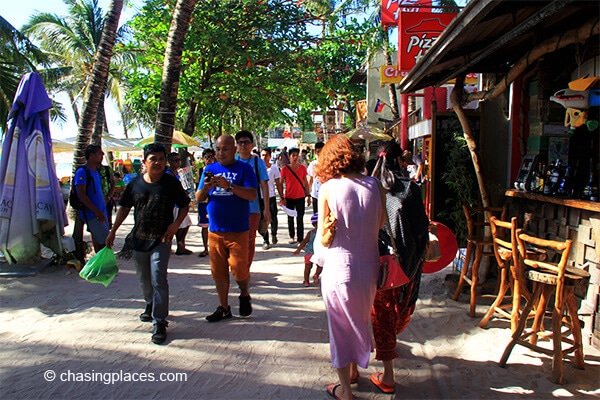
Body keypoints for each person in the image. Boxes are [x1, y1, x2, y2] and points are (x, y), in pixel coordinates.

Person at [313, 135, 385, 400]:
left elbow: (322, 233)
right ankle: (353, 371)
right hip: (369, 266)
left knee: (340, 327)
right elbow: (380, 224)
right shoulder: (375, 185)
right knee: (359, 320)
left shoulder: (329, 187)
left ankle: (345, 390)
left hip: (339, 266)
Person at [106, 143, 190, 345]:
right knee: (144, 278)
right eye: (154, 159)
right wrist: (113, 230)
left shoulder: (171, 183)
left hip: (161, 239)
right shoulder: (135, 184)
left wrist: (174, 226)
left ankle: (160, 321)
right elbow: (124, 208)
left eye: (162, 159)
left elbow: (185, 205)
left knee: (159, 277)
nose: (159, 163)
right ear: (144, 162)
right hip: (139, 239)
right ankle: (150, 303)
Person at [369, 140, 430, 394]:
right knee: (401, 305)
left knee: (381, 315)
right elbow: (421, 227)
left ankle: (389, 376)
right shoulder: (411, 189)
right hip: (407, 262)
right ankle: (389, 357)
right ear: (401, 161)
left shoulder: (371, 189)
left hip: (379, 262)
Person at [196, 134, 257, 322]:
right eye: (218, 149)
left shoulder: (244, 169)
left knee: (239, 270)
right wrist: (206, 188)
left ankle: (244, 293)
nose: (220, 153)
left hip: (238, 230)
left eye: (225, 149)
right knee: (219, 272)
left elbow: (252, 194)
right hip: (215, 231)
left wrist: (229, 185)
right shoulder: (209, 168)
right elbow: (198, 198)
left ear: (234, 149)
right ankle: (223, 307)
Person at [234, 130, 270, 266]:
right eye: (240, 143)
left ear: (252, 145)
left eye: (246, 142)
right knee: (235, 238)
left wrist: (266, 209)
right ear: (236, 145)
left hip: (252, 208)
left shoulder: (257, 162)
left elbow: (264, 186)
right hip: (233, 208)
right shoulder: (232, 161)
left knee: (249, 239)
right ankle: (237, 266)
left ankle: (245, 269)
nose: (243, 145)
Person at [74, 144, 109, 253]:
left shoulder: (96, 171)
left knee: (100, 240)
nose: (102, 155)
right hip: (92, 214)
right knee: (104, 242)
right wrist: (96, 211)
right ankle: (102, 266)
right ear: (91, 155)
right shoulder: (82, 172)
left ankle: (100, 265)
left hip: (101, 212)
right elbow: (81, 195)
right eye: (99, 153)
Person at [280, 148, 310, 244]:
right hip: (289, 197)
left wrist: (308, 195)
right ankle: (292, 236)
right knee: (290, 218)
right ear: (289, 157)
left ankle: (300, 238)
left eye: (297, 155)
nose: (295, 157)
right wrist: (282, 197)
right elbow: (280, 183)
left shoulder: (302, 168)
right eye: (293, 155)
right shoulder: (284, 169)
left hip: (300, 197)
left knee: (300, 218)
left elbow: (305, 182)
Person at [166, 152, 194, 255]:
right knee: (179, 224)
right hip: (173, 204)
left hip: (180, 202)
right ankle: (179, 245)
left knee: (185, 224)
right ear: (170, 162)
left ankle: (181, 244)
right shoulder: (169, 174)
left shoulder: (177, 173)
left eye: (179, 160)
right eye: (175, 160)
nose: (178, 162)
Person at [259, 147, 284, 249]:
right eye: (262, 155)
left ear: (270, 156)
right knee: (262, 220)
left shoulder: (274, 168)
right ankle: (266, 240)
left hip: (271, 196)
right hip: (260, 197)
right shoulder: (257, 168)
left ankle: (274, 233)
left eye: (266, 155)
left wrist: (282, 196)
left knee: (273, 218)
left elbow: (278, 184)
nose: (264, 157)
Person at [292, 213, 322, 286]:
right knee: (320, 265)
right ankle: (316, 274)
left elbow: (304, 242)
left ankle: (306, 281)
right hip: (319, 253)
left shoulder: (310, 233)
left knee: (307, 267)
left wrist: (298, 249)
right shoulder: (323, 233)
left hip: (309, 252)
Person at [197, 148, 215, 257]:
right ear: (204, 159)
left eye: (211, 157)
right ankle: (205, 247)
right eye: (207, 157)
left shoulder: (217, 170)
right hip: (203, 200)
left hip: (213, 200)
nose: (210, 159)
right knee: (204, 226)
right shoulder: (201, 171)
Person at [307, 142, 324, 215]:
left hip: (326, 195)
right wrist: (308, 195)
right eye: (318, 152)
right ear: (315, 152)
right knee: (316, 218)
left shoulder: (329, 164)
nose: (320, 154)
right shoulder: (312, 164)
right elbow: (310, 180)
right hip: (315, 195)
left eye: (322, 152)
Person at [98, 164, 115, 228]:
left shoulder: (107, 170)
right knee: (93, 226)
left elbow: (113, 185)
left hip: (106, 201)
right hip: (94, 202)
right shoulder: (88, 170)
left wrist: (108, 198)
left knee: (106, 224)